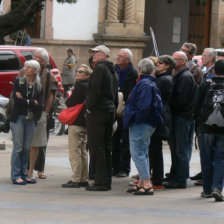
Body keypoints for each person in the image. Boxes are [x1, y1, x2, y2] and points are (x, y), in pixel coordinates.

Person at [124, 58, 163, 195]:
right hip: (146, 122)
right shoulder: (149, 83)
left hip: (141, 123)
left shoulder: (145, 84)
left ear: (140, 69)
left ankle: (146, 183)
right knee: (143, 151)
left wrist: (135, 119)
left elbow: (144, 106)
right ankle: (142, 181)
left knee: (138, 153)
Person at [85, 45, 118, 191]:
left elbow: (95, 90)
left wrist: (89, 107)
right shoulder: (112, 70)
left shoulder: (100, 69)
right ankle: (105, 180)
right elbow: (115, 94)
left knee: (97, 146)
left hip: (99, 111)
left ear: (104, 55)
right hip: (108, 110)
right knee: (105, 147)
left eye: (96, 53)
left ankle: (100, 181)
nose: (93, 55)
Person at [164, 51, 197, 189]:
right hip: (179, 116)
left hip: (182, 116)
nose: (172, 61)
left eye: (175, 59)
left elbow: (181, 100)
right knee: (175, 148)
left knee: (181, 148)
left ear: (182, 61)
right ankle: (175, 174)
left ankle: (181, 178)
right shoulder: (179, 74)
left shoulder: (185, 76)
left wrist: (169, 103)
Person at [194, 60, 224, 202]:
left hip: (206, 127)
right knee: (220, 158)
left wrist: (198, 122)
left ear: (214, 71)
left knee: (206, 158)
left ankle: (206, 190)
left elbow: (196, 103)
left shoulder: (206, 83)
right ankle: (217, 188)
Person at [10, 60, 43, 185]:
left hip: (31, 119)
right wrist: (30, 102)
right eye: (26, 67)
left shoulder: (39, 86)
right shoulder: (20, 81)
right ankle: (16, 175)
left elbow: (39, 105)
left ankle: (25, 174)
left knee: (26, 148)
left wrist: (24, 99)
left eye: (29, 67)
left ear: (35, 71)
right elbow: (16, 100)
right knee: (18, 148)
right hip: (18, 117)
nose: (26, 69)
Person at [27, 48, 57, 179]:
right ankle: (28, 169)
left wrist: (46, 113)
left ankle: (40, 169)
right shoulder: (27, 73)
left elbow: (50, 96)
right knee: (27, 141)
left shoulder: (49, 76)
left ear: (44, 61)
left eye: (37, 57)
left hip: (42, 112)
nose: (34, 58)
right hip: (27, 111)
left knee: (41, 142)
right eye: (34, 56)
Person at [61, 64, 92, 188]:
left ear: (87, 75)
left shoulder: (80, 86)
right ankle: (83, 178)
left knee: (74, 152)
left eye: (81, 72)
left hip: (76, 122)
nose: (77, 73)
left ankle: (75, 179)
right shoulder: (90, 85)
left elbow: (70, 102)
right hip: (86, 122)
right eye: (77, 71)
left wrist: (70, 97)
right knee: (83, 151)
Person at [148, 55, 175, 190]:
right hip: (161, 114)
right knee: (153, 149)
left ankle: (157, 179)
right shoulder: (163, 78)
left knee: (155, 149)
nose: (158, 65)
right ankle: (154, 177)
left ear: (168, 66)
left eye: (161, 63)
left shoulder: (164, 80)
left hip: (160, 115)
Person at [112, 48, 138, 178]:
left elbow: (130, 93)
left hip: (126, 109)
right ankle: (115, 166)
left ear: (128, 60)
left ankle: (124, 168)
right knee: (114, 139)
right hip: (115, 108)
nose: (118, 58)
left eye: (121, 56)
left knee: (125, 141)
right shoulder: (115, 69)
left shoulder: (132, 73)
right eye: (118, 55)